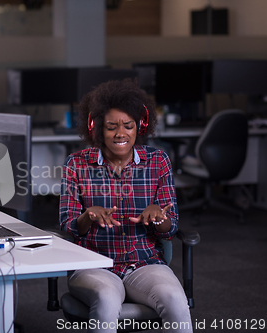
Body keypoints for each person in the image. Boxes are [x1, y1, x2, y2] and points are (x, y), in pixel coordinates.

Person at [60, 78, 193, 333]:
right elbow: (69, 226)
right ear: (96, 128)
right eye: (111, 127)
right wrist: (88, 216)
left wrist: (158, 216)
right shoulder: (76, 164)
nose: (120, 133)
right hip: (94, 264)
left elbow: (170, 228)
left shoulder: (158, 161)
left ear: (140, 126)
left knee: (176, 299)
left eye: (128, 126)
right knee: (107, 299)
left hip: (144, 262)